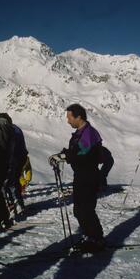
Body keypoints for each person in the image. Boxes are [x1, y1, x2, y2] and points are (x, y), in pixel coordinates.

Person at [51, 103, 105, 253]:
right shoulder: (82, 132)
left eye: (69, 117)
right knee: (79, 210)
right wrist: (63, 155)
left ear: (78, 117)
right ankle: (90, 237)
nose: (68, 121)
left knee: (86, 209)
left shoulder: (88, 133)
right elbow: (76, 151)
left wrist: (64, 156)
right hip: (82, 175)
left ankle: (97, 239)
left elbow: (82, 154)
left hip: (88, 175)